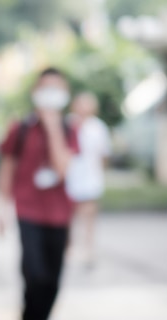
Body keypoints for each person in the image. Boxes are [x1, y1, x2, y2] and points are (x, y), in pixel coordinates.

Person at [0, 67, 78, 320]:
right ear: (36, 92)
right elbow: (7, 167)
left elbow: (63, 170)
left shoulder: (70, 129)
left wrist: (54, 127)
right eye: (46, 87)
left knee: (53, 282)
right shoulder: (21, 129)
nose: (51, 93)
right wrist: (2, 209)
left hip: (59, 215)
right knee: (34, 276)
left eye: (57, 88)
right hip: (28, 211)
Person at [66, 91, 111, 267]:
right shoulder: (68, 124)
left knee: (89, 215)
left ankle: (88, 248)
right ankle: (69, 248)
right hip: (71, 177)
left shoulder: (98, 127)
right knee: (69, 215)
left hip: (91, 178)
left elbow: (103, 155)